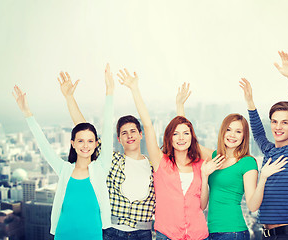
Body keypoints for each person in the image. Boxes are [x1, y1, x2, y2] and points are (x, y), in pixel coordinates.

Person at [12, 64, 114, 240]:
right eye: (80, 141)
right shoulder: (65, 169)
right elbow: (44, 146)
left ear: (97, 144)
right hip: (63, 234)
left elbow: (107, 129)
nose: (85, 145)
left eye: (90, 141)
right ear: (72, 143)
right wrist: (27, 112)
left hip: (93, 235)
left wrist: (110, 91)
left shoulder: (101, 167)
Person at [177, 84, 287, 240]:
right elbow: (189, 143)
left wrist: (263, 178)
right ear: (223, 132)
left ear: (244, 136)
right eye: (228, 129)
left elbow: (252, 205)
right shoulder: (215, 157)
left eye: (238, 131)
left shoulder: (247, 162)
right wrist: (180, 106)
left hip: (233, 232)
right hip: (211, 231)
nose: (232, 135)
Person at [117, 69, 215, 240]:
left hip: (199, 235)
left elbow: (203, 205)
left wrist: (205, 176)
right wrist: (134, 89)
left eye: (186, 133)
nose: (181, 138)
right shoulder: (160, 162)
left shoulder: (200, 164)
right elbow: (147, 125)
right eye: (175, 134)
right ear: (169, 138)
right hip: (167, 235)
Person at [57, 69, 155, 240]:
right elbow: (84, 130)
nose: (129, 135)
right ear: (119, 138)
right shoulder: (111, 160)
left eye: (133, 131)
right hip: (112, 231)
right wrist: (69, 98)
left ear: (141, 134)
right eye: (124, 133)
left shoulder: (154, 165)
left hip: (143, 233)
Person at [240, 51, 288, 239]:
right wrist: (250, 102)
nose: (278, 127)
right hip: (267, 234)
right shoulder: (269, 150)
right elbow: (257, 132)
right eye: (274, 121)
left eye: (284, 122)